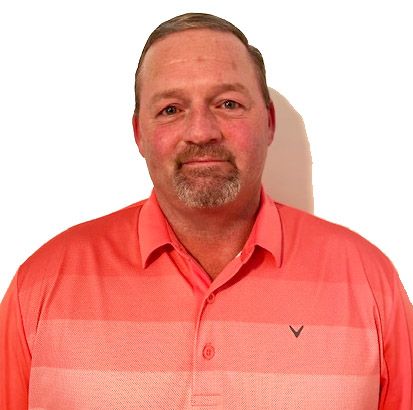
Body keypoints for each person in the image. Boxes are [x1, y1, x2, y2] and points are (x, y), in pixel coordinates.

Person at [1, 12, 412, 409]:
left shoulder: (369, 282)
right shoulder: (41, 285)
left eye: (228, 104)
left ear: (269, 122)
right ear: (139, 134)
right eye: (171, 109)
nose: (201, 132)